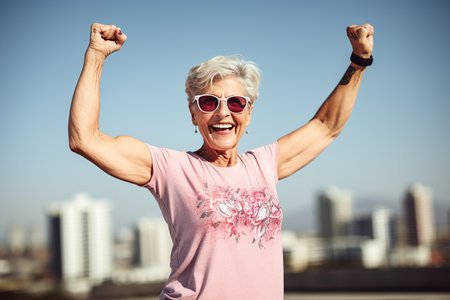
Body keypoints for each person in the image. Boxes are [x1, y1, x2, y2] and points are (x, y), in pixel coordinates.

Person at [69, 22, 374, 300]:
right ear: (194, 114)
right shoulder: (170, 168)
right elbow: (85, 139)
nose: (223, 113)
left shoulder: (264, 165)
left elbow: (325, 126)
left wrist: (358, 62)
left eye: (236, 102)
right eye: (209, 102)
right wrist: (96, 56)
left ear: (249, 113)